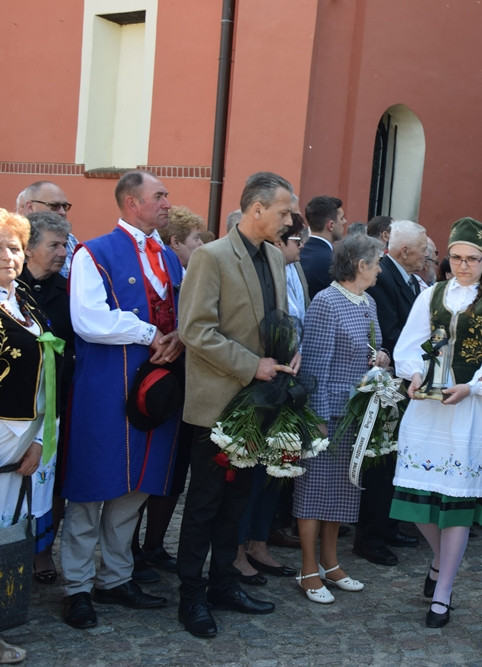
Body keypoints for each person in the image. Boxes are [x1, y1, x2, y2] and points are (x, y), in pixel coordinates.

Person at [61, 171, 185, 630]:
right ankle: (76, 587)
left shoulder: (169, 257)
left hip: (158, 389)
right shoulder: (93, 253)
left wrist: (179, 337)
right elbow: (89, 320)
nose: (167, 203)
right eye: (159, 196)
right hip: (105, 388)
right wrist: (150, 333)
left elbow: (184, 312)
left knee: (136, 487)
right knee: (91, 488)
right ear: (132, 203)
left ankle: (115, 578)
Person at [175, 172, 296, 638]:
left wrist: (289, 352)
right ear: (256, 209)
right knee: (205, 503)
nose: (289, 221)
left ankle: (224, 584)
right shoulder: (211, 256)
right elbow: (195, 330)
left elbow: (276, 319)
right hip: (219, 404)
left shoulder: (274, 256)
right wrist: (252, 365)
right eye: (284, 212)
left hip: (260, 401)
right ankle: (191, 596)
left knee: (237, 502)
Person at [390, 217, 482, 628]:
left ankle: (443, 591)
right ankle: (439, 561)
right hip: (428, 409)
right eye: (457, 258)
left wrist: (473, 387)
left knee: (457, 505)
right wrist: (413, 373)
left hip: (471, 411)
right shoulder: (431, 295)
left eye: (472, 259)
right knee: (416, 499)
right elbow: (409, 346)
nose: (463, 266)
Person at [295, 233, 388, 604]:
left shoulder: (368, 301)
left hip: (356, 413)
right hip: (328, 414)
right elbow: (314, 367)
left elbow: (373, 347)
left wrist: (381, 357)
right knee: (314, 491)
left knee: (341, 491)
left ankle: (330, 564)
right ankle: (307, 570)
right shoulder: (326, 301)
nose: (379, 270)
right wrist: (316, 419)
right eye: (376, 263)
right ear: (360, 265)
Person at [230, 213, 311, 586]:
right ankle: (236, 550)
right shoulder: (255, 267)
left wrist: (296, 350)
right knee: (248, 470)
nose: (301, 247)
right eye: (295, 240)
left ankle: (259, 543)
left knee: (273, 465)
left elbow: (298, 317)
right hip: (257, 377)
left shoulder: (294, 270)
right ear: (278, 242)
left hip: (286, 376)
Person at [130, 204, 205, 584]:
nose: (201, 245)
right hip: (155, 383)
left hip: (185, 385)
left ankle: (154, 545)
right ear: (175, 242)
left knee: (174, 472)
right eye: (195, 239)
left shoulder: (191, 275)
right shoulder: (158, 275)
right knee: (144, 473)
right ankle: (130, 549)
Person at [0, 209, 61, 665]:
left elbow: (48, 380)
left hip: (26, 437)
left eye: (15, 247)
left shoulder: (24, 300)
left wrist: (42, 440)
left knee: (6, 536)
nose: (9, 256)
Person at [354, 219, 429, 567]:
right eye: (423, 249)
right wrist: (424, 355)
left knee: (393, 459)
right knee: (381, 462)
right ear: (405, 251)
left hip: (404, 379)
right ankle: (370, 536)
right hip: (390, 380)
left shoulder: (409, 279)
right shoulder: (385, 280)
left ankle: (387, 526)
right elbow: (392, 332)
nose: (427, 255)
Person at [20, 211, 72, 584]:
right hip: (16, 405)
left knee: (52, 480)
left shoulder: (67, 291)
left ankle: (42, 551)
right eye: (54, 245)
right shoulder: (11, 289)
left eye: (64, 245)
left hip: (58, 403)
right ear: (29, 248)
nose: (63, 252)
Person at [20, 181, 77, 278]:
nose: (62, 212)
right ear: (30, 207)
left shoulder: (71, 240)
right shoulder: (11, 240)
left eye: (64, 206)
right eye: (54, 206)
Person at [300, 195, 345, 298]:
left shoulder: (298, 254)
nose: (344, 222)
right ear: (331, 225)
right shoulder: (333, 261)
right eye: (342, 218)